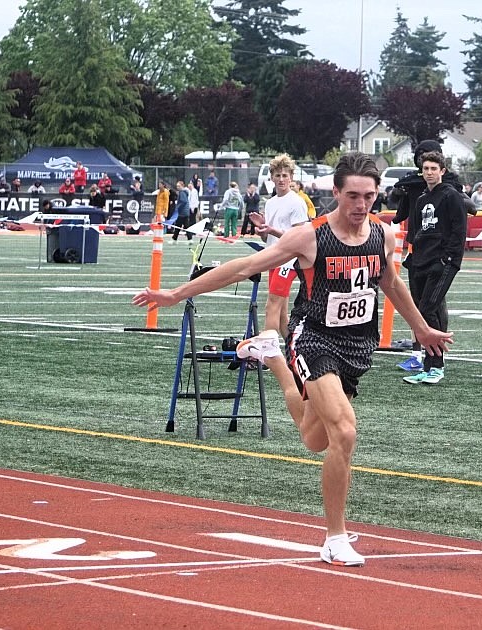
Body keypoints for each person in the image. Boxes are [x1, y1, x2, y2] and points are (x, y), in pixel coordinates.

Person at [132, 152, 452, 567]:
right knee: (345, 432)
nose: (361, 205)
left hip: (358, 345)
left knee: (314, 438)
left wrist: (422, 328)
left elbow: (390, 282)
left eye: (369, 197)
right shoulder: (309, 236)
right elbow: (244, 265)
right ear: (335, 193)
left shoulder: (382, 235)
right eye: (352, 196)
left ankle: (272, 359)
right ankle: (335, 538)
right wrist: (176, 294)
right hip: (313, 338)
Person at [401, 151, 467, 385]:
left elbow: (459, 231)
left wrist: (449, 259)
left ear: (442, 171)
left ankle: (436, 366)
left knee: (428, 308)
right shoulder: (420, 200)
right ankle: (429, 366)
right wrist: (413, 256)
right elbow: (418, 232)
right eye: (426, 169)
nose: (429, 173)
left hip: (442, 262)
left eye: (433, 169)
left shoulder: (451, 196)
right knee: (423, 310)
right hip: (420, 261)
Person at [258, 155, 310, 337]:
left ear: (291, 177)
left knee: (271, 306)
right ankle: (293, 354)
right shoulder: (271, 202)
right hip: (273, 258)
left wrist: (272, 230)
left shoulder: (296, 202)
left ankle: (268, 353)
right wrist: (264, 232)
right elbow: (268, 240)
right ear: (271, 177)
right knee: (281, 316)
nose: (281, 179)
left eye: (285, 175)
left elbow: (300, 238)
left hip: (288, 261)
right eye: (278, 175)